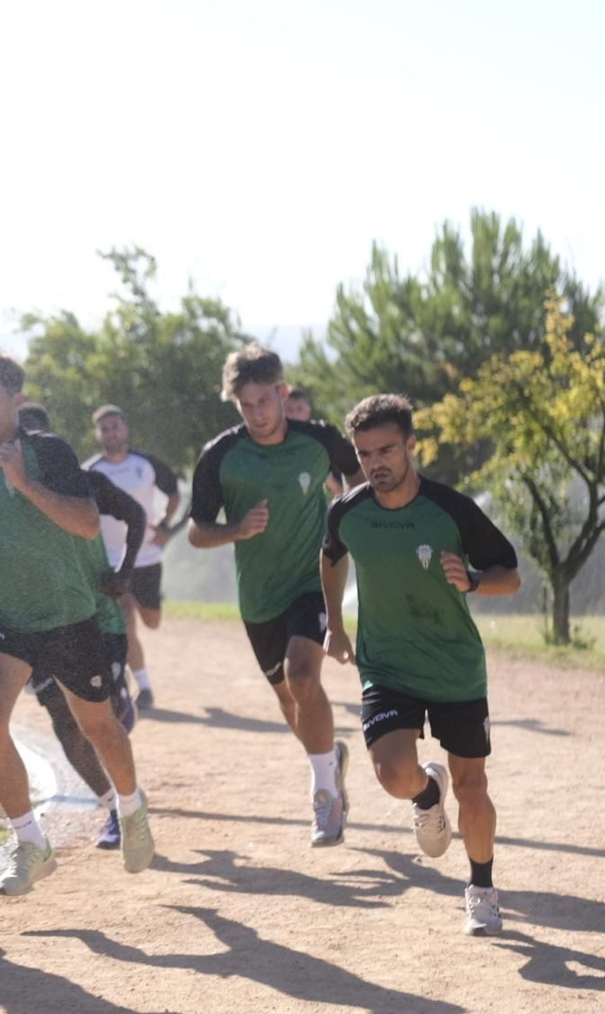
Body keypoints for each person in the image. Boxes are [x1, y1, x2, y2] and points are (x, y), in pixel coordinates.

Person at [0, 353, 154, 894]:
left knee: (99, 728)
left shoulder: (51, 453)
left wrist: (24, 482)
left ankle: (131, 809)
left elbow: (86, 526)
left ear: (16, 400)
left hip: (67, 616)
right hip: (4, 619)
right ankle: (30, 842)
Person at [320, 394, 521, 935]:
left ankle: (481, 888)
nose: (375, 462)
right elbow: (330, 554)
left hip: (454, 666)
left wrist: (474, 580)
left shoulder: (450, 508)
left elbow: (510, 574)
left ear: (411, 445)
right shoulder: (349, 510)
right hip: (386, 666)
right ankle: (426, 795)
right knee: (391, 774)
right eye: (364, 454)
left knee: (473, 787)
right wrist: (335, 625)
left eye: (386, 449)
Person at [188, 345, 362, 848]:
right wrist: (237, 529)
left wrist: (350, 519)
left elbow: (356, 477)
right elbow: (198, 532)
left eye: (266, 400)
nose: (259, 413)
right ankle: (330, 760)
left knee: (302, 675)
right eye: (248, 405)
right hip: (258, 599)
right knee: (292, 704)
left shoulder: (318, 439)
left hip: (312, 582)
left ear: (283, 393)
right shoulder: (222, 456)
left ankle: (325, 798)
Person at [83, 404, 180, 711]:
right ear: (98, 434)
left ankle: (142, 611)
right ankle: (145, 688)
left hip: (148, 556)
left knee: (151, 620)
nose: (111, 432)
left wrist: (165, 526)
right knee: (125, 620)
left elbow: (174, 493)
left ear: (125, 429)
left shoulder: (147, 463)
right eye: (105, 428)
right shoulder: (91, 471)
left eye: (115, 426)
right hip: (111, 557)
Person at [284, 387, 344, 498]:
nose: (295, 415)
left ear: (308, 411)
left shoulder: (324, 437)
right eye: (290, 410)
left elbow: (342, 489)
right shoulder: (277, 440)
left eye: (299, 409)